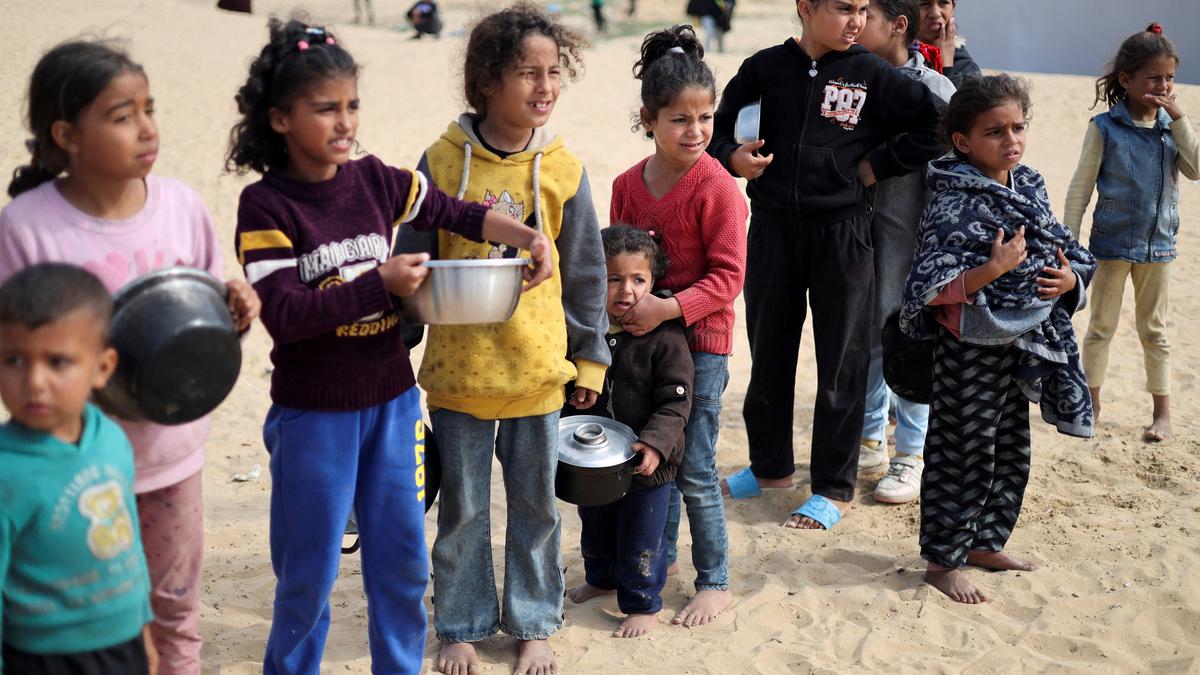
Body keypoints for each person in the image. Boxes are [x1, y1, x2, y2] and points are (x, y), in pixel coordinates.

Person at [225, 19, 552, 674]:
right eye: (326, 109)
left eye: (351, 106)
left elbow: (452, 211)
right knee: (307, 581)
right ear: (281, 119)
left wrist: (526, 237)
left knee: (401, 570)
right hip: (314, 416)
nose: (344, 123)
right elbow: (286, 316)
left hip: (396, 407)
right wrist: (379, 283)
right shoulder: (266, 207)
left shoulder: (374, 179)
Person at [0, 39, 260, 675]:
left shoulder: (180, 206)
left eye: (150, 109)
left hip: (172, 455)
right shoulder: (27, 226)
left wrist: (237, 310)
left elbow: (201, 328)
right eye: (122, 116)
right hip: (69, 468)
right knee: (84, 613)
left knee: (174, 610)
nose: (147, 129)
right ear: (67, 134)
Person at [394, 4, 607, 674]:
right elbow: (411, 257)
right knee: (460, 509)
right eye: (527, 73)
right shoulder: (440, 159)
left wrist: (590, 359)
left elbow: (586, 271)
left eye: (553, 73)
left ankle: (534, 621)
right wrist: (394, 340)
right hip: (459, 373)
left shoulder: (564, 167)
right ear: (487, 80)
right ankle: (459, 621)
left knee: (536, 509)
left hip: (538, 371)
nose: (544, 86)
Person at [710, 0, 943, 530]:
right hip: (770, 228)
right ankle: (770, 469)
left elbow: (937, 123)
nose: (856, 20)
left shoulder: (871, 73)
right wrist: (731, 156)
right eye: (843, 8)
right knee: (769, 351)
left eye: (863, 8)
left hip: (842, 233)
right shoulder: (764, 67)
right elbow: (719, 125)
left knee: (843, 360)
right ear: (807, 8)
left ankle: (834, 488)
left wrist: (875, 166)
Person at [899, 74, 1096, 603]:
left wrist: (1070, 279)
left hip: (1024, 339)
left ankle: (986, 542)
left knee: (1010, 450)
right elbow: (929, 285)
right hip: (968, 346)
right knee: (961, 452)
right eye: (994, 132)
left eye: (1018, 128)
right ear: (963, 141)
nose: (1010, 140)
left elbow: (1062, 244)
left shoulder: (1027, 183)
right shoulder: (951, 197)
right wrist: (993, 269)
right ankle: (943, 561)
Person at [609, 25, 745, 626]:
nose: (696, 132)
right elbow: (616, 263)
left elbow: (728, 278)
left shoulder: (717, 186)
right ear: (648, 118)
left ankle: (714, 578)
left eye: (706, 118)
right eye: (679, 120)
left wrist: (667, 307)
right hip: (642, 347)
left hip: (702, 346)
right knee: (647, 460)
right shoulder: (623, 187)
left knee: (692, 465)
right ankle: (648, 576)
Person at [0, 264, 152, 674]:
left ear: (102, 368)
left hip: (124, 646)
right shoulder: (6, 473)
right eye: (13, 360)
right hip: (40, 659)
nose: (34, 381)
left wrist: (144, 630)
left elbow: (129, 543)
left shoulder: (113, 440)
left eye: (57, 362)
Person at [1064, 24, 1198, 443]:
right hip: (1110, 246)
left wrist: (1180, 120)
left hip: (1159, 247)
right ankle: (1093, 403)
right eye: (1153, 77)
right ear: (1127, 79)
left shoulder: (1169, 128)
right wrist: (1069, 241)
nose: (1163, 86)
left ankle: (1162, 413)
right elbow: (1079, 190)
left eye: (1169, 78)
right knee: (1101, 327)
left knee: (1154, 331)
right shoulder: (1104, 128)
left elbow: (1196, 168)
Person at [564, 226, 693, 639]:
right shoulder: (586, 331)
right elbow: (569, 384)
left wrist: (656, 444)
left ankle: (641, 603)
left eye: (639, 279)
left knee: (641, 536)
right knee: (595, 524)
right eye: (613, 278)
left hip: (646, 464)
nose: (627, 290)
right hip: (596, 464)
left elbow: (676, 400)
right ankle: (601, 577)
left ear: (653, 282)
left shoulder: (665, 336)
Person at [854, 0, 954, 504]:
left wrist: (938, 258)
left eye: (865, 15)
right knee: (864, 345)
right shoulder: (849, 81)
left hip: (912, 247)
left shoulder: (935, 91)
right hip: (857, 244)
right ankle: (869, 441)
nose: (855, 24)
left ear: (897, 26)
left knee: (909, 345)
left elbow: (952, 184)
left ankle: (909, 456)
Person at [915, 0, 980, 87]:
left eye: (943, 2)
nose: (935, 13)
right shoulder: (899, 60)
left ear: (953, 7)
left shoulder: (967, 69)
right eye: (924, 4)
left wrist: (946, 67)